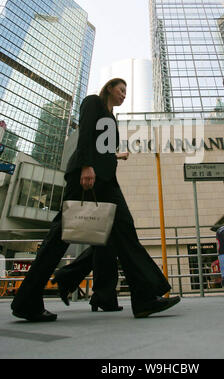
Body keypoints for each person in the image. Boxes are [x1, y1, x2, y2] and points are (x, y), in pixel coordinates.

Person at [11, 78, 180, 322]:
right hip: (86, 177)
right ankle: (27, 300)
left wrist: (116, 156)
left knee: (125, 229)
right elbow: (86, 134)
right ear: (109, 88)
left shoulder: (112, 119)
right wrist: (86, 166)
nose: (124, 94)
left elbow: (104, 148)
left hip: (107, 181)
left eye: (126, 91)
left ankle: (144, 297)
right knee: (60, 236)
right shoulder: (92, 103)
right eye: (121, 89)